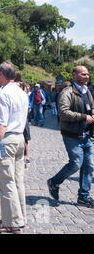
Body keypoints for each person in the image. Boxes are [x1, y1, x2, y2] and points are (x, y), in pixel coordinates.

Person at [47, 66, 94, 208]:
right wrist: (83, 117)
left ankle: (84, 196)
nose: (86, 76)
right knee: (76, 163)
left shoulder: (87, 92)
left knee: (89, 166)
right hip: (72, 134)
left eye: (87, 74)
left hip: (86, 135)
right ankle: (54, 182)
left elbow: (90, 107)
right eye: (83, 74)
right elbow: (63, 112)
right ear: (75, 75)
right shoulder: (67, 92)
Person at [0, 61, 29, 234]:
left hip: (7, 139)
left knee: (6, 182)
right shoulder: (22, 93)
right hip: (20, 138)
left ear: (1, 74)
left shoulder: (3, 94)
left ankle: (11, 223)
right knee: (18, 181)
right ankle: (20, 217)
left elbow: (1, 123)